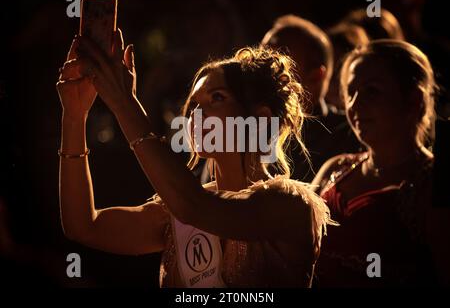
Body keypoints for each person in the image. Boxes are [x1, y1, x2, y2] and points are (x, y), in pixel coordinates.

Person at [56, 30, 333, 287]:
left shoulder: (290, 205)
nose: (197, 114)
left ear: (260, 119)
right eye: (194, 105)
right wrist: (74, 115)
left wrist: (124, 102)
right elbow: (83, 226)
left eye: (216, 98)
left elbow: (195, 208)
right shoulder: (174, 211)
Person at [313, 39, 449, 286]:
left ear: (413, 101)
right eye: (351, 92)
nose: (354, 105)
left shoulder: (433, 183)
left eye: (371, 91)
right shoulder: (336, 168)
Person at [261, 15, 360, 182]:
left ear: (316, 76)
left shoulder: (346, 136)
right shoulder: (245, 124)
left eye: (277, 64)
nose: (258, 69)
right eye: (261, 57)